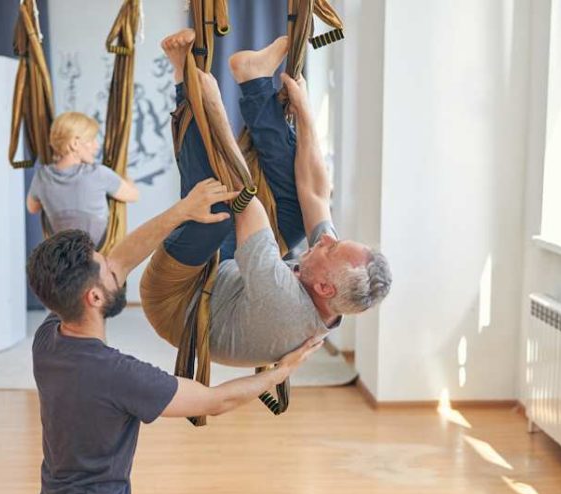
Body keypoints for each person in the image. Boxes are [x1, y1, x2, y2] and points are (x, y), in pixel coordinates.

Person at [20, 177, 323, 494]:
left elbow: (118, 258)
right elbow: (213, 400)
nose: (115, 267)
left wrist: (184, 210)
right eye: (107, 271)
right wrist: (278, 372)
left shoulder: (49, 338)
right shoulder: (118, 374)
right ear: (94, 299)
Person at [140, 30, 392, 368]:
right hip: (229, 277)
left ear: (324, 288)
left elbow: (243, 197)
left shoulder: (284, 304)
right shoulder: (330, 284)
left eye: (330, 249)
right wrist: (303, 110)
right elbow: (316, 193)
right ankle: (254, 77)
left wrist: (207, 104)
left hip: (178, 300)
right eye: (336, 240)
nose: (327, 240)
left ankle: (184, 80)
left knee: (215, 209)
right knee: (295, 215)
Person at [26, 111, 140, 245]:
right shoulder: (98, 174)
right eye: (91, 140)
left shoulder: (42, 177)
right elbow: (134, 195)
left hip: (62, 255)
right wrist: (126, 177)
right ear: (74, 143)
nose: (96, 145)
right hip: (97, 254)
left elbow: (32, 208)